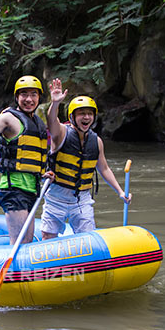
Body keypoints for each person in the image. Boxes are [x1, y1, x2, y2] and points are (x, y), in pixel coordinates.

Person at [41, 78, 132, 239]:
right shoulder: (61, 133)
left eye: (89, 114)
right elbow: (51, 121)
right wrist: (55, 103)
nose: (86, 117)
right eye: (82, 113)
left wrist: (120, 191)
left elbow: (103, 168)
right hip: (56, 196)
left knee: (88, 239)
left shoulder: (96, 141)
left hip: (82, 198)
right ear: (72, 116)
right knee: (48, 237)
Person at [0, 75, 52, 244]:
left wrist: (45, 173)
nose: (29, 99)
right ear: (17, 97)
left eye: (33, 95)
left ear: (39, 98)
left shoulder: (38, 122)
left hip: (32, 189)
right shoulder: (8, 118)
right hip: (14, 190)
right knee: (20, 243)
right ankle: (13, 272)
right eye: (24, 95)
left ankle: (26, 271)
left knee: (28, 242)